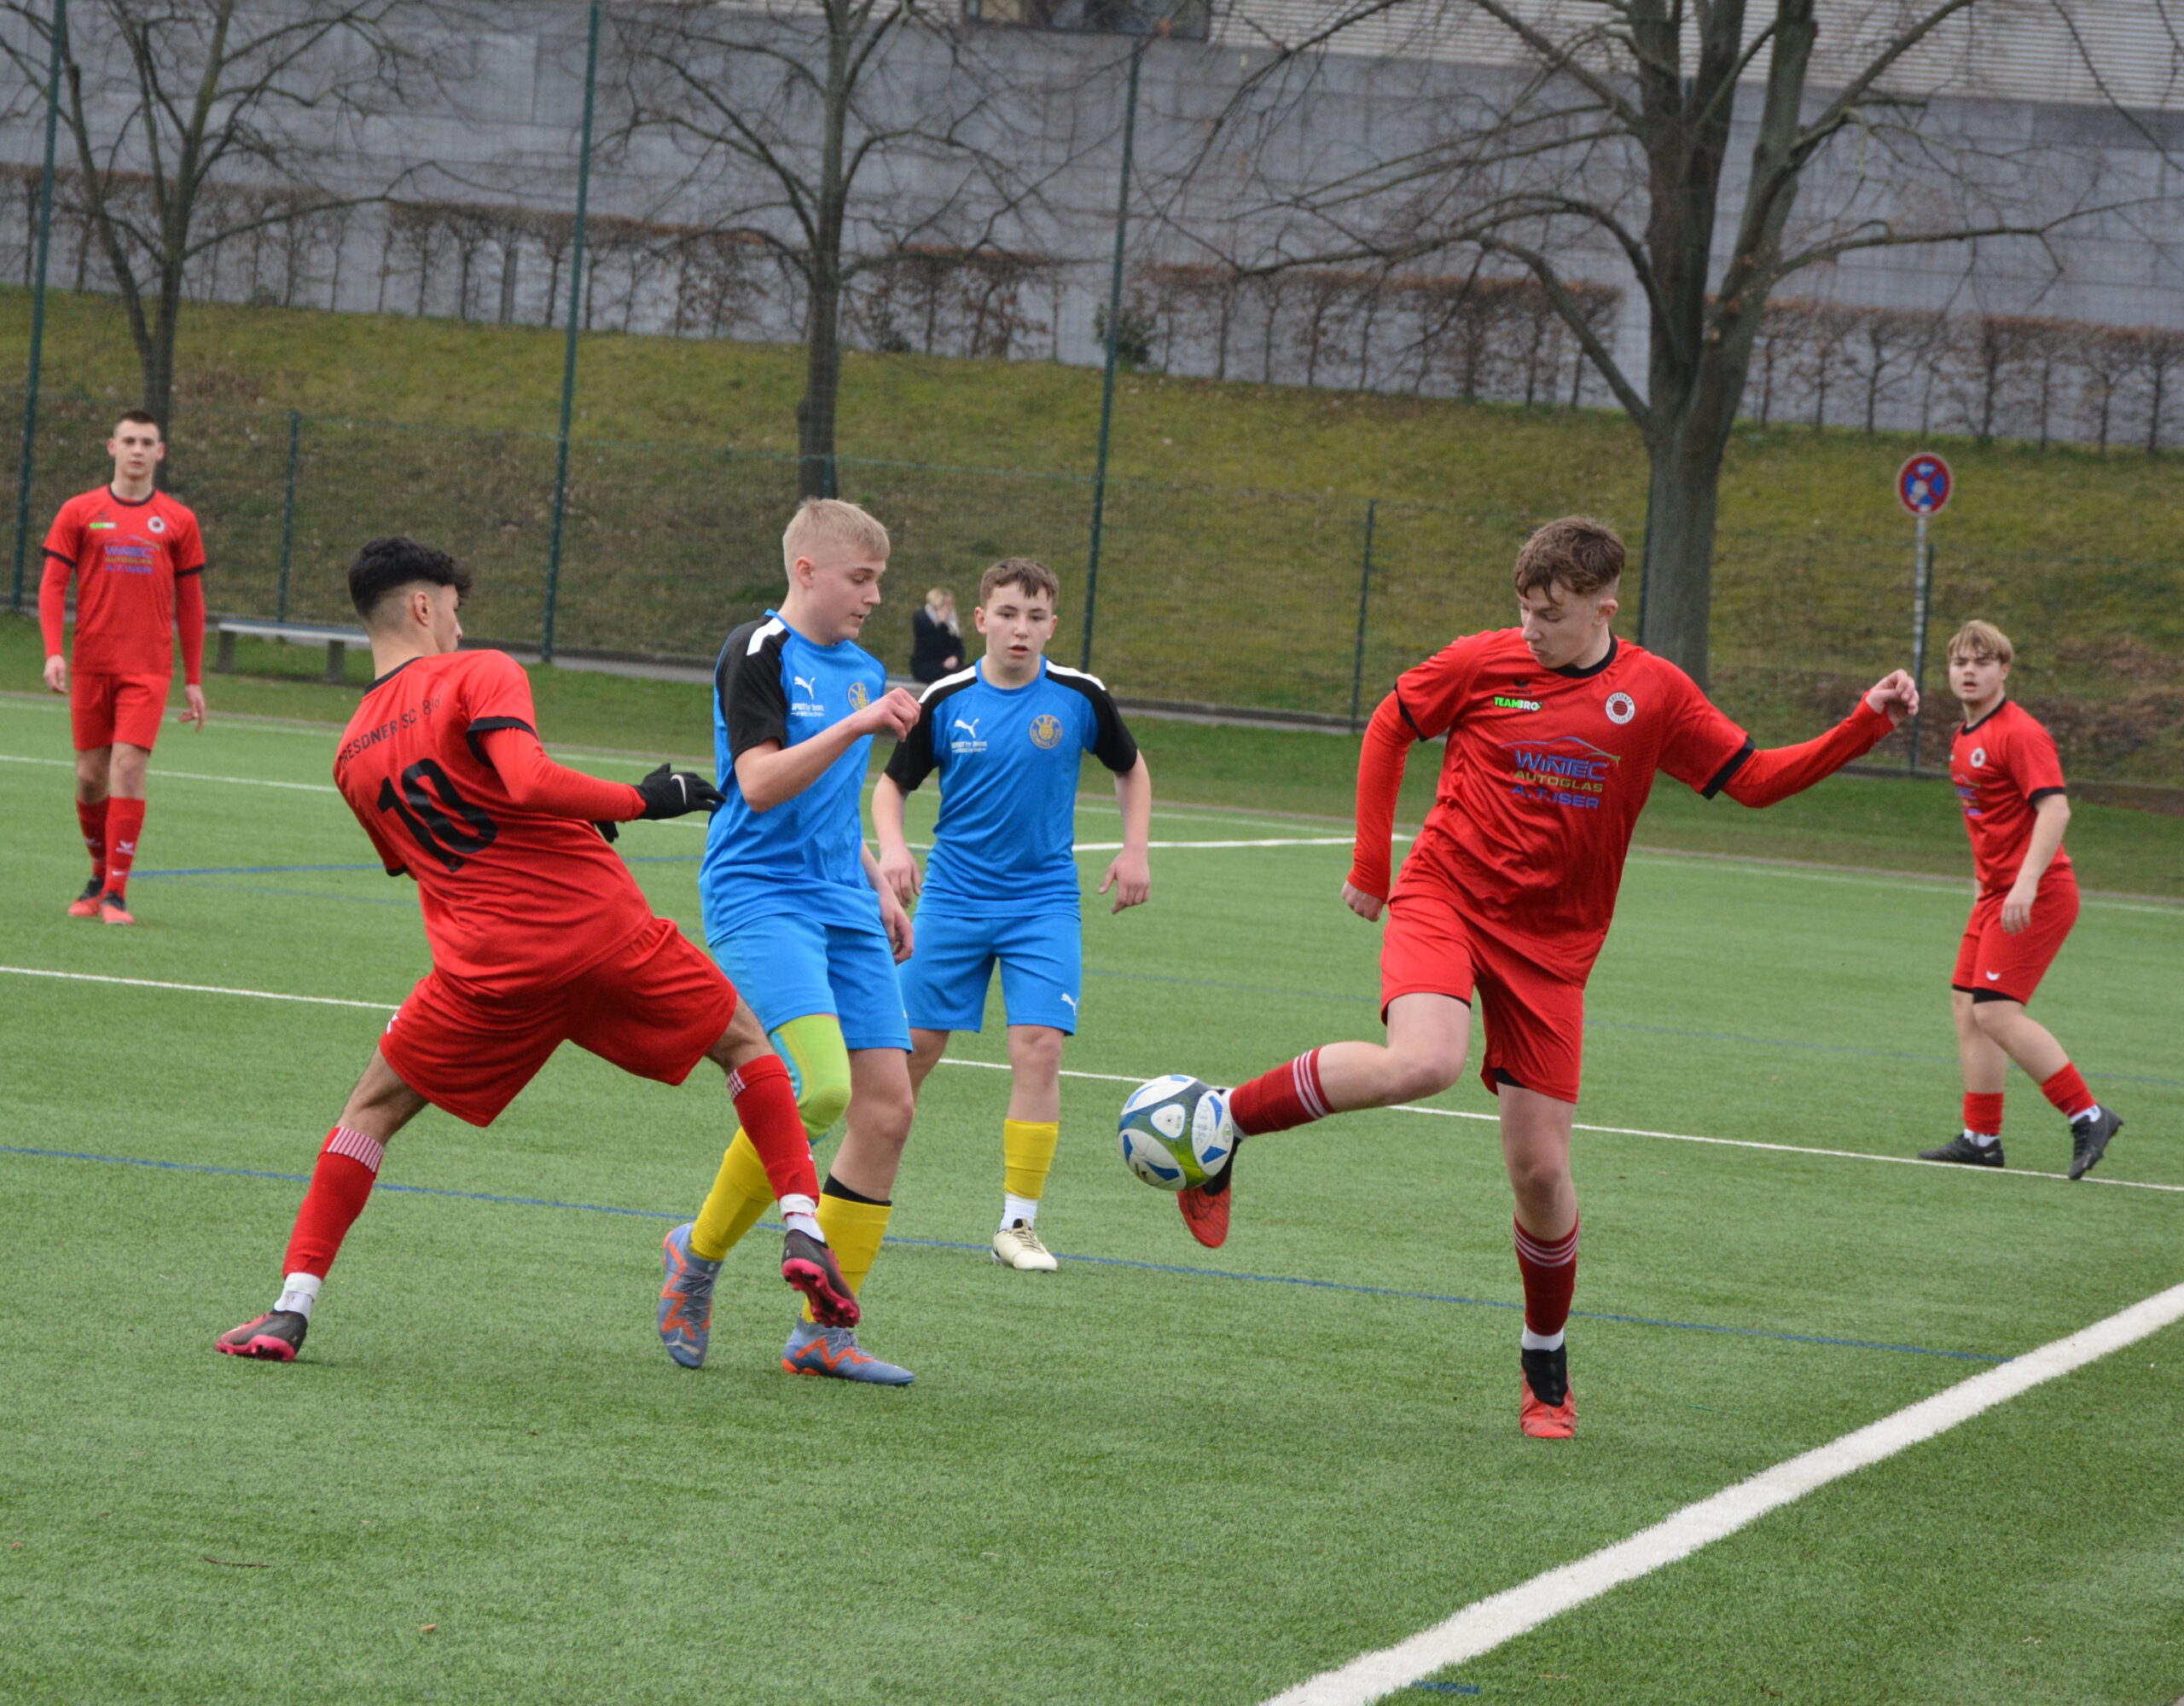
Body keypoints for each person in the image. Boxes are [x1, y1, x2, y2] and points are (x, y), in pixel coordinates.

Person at [1162, 516, 1920, 1439]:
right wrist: (1371, 862)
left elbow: (1756, 779)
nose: (1531, 629)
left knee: (1542, 1171)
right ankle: (1225, 1121)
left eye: (1552, 615)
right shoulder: (1481, 662)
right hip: (1445, 895)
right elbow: (1390, 724)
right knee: (1425, 1061)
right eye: (1524, 609)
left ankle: (1543, 1359)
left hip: (1554, 951)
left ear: (1605, 608)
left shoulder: (1655, 693)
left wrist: (1864, 724)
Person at [216, 537, 854, 1362]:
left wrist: (571, 819)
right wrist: (641, 799)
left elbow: (457, 841)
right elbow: (522, 778)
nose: (458, 623)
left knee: (370, 1112)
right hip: (602, 931)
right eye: (454, 607)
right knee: (742, 1045)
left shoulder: (350, 755)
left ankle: (289, 1307)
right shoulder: (477, 671)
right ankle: (802, 1225)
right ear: (423, 605)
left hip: (485, 972)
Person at [659, 498, 926, 1385]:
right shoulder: (758, 650)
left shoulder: (864, 667)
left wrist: (874, 883)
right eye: (862, 578)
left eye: (880, 580)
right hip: (761, 895)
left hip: (840, 897)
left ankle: (821, 1334)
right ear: (807, 570)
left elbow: (832, 802)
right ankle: (696, 1254)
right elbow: (763, 783)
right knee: (821, 1087)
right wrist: (856, 724)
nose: (875, 596)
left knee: (887, 1109)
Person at [874, 558, 1152, 1273]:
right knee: (909, 1053)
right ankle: (855, 1192)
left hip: (1043, 904)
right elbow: (891, 786)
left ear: (1052, 625)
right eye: (1006, 614)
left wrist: (1135, 850)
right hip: (953, 901)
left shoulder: (1080, 696)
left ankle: (1017, 1224)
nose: (1019, 629)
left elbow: (1130, 766)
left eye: (1034, 617)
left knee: (1039, 1048)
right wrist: (895, 848)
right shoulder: (947, 697)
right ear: (981, 620)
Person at [1916, 620, 2120, 1178]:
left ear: (2004, 670)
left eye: (1982, 663)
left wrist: (2026, 882)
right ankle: (1981, 1139)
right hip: (1995, 895)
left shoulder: (2020, 733)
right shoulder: (1964, 737)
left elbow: (2055, 809)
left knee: (1996, 1011)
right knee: (1968, 1008)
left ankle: (2088, 1115)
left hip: (2039, 893)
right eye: (1960, 662)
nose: (1969, 672)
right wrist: (1986, 886)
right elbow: (1990, 824)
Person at [39, 409, 208, 926]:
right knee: (90, 777)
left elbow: (191, 605)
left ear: (161, 452)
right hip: (92, 664)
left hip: (147, 668)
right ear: (111, 447)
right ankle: (97, 877)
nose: (137, 450)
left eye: (147, 442)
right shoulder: (80, 511)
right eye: (129, 440)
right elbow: (52, 585)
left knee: (128, 768)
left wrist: (194, 679)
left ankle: (116, 893)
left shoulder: (178, 520)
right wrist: (53, 650)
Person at [911, 587, 962, 684]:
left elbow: (959, 647)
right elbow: (933, 646)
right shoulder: (922, 618)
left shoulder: (952, 621)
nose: (950, 607)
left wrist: (956, 657)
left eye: (951, 603)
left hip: (948, 664)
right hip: (927, 664)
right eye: (946, 604)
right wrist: (941, 624)